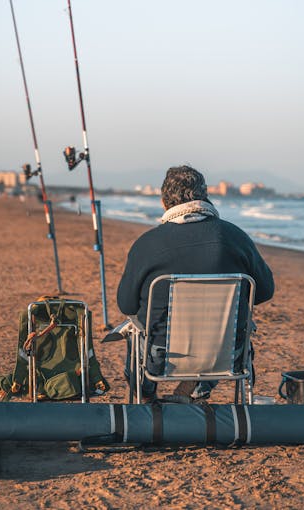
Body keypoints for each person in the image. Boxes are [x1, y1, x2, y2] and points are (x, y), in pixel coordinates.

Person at [117, 165, 275, 400]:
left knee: (136, 328)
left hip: (162, 356)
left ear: (164, 202)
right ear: (205, 197)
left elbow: (126, 305)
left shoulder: (147, 244)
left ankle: (148, 400)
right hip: (225, 352)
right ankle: (192, 392)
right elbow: (264, 291)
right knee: (224, 331)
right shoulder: (236, 237)